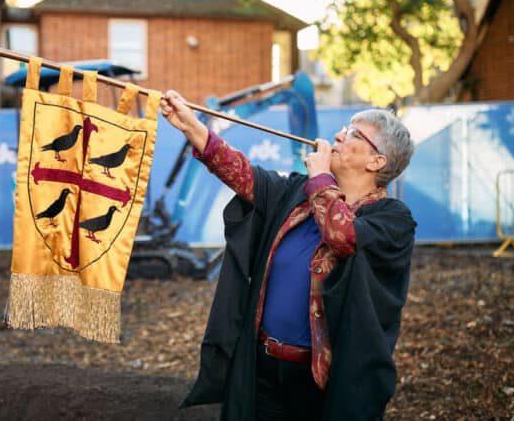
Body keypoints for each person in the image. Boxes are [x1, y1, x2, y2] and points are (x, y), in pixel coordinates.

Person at [160, 90, 416, 421]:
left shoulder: (392, 218)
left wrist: (321, 178)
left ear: (376, 161)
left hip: (322, 383)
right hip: (264, 368)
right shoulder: (298, 192)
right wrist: (191, 126)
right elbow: (243, 174)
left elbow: (344, 236)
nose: (338, 134)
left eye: (353, 133)